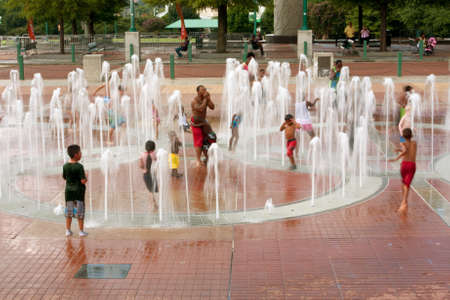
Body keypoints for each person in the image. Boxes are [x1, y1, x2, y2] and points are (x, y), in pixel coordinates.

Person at [389, 128, 417, 214]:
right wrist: (399, 149)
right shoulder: (414, 143)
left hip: (404, 164)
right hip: (412, 165)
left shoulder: (403, 141)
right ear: (411, 135)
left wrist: (396, 158)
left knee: (404, 183)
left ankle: (404, 201)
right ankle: (404, 201)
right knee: (407, 184)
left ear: (404, 136)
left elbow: (405, 150)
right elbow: (407, 150)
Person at [63, 144, 88, 237]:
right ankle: (81, 231)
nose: (81, 154)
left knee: (69, 211)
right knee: (80, 212)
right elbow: (83, 180)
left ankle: (68, 230)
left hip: (68, 192)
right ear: (76, 155)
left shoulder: (65, 166)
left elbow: (64, 177)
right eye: (80, 152)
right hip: (78, 193)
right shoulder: (79, 166)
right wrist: (86, 177)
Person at [191, 85, 215, 166]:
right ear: (198, 92)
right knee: (199, 141)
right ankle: (198, 160)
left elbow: (212, 107)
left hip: (203, 122)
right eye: (202, 90)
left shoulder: (205, 99)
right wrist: (205, 99)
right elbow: (201, 109)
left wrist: (209, 99)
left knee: (211, 137)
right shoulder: (194, 101)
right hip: (196, 123)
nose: (205, 91)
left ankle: (207, 157)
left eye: (205, 89)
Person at [139, 140, 158, 210]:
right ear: (154, 148)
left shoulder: (142, 155)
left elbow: (140, 166)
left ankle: (154, 204)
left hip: (146, 174)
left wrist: (143, 166)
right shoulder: (153, 154)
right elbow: (156, 160)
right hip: (152, 173)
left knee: (150, 190)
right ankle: (155, 204)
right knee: (155, 188)